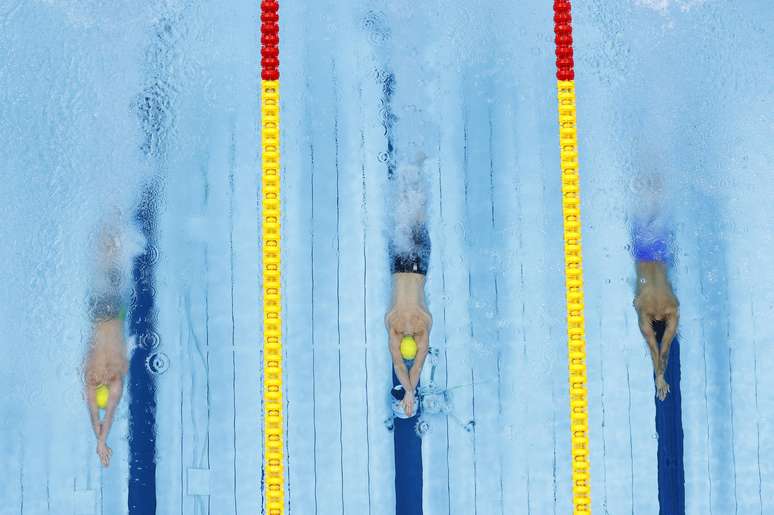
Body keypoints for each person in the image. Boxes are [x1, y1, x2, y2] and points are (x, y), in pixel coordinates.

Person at [385, 163, 432, 419]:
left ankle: (413, 169)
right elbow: (402, 366)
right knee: (408, 215)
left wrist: (410, 391)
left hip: (414, 264)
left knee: (412, 213)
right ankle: (411, 169)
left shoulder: (404, 324)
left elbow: (403, 365)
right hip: (406, 263)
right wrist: (409, 390)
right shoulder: (413, 324)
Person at [83, 225, 130, 467]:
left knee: (107, 267)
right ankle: (109, 226)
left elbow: (98, 413)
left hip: (103, 313)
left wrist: (100, 439)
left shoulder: (96, 378)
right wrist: (101, 439)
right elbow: (103, 414)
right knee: (109, 267)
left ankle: (107, 227)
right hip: (106, 313)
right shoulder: (110, 380)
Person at [631, 208, 679, 401]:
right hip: (642, 251)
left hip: (660, 250)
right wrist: (659, 375)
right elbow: (657, 346)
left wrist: (661, 374)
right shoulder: (644, 309)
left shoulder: (673, 309)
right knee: (641, 205)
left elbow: (664, 346)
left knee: (657, 204)